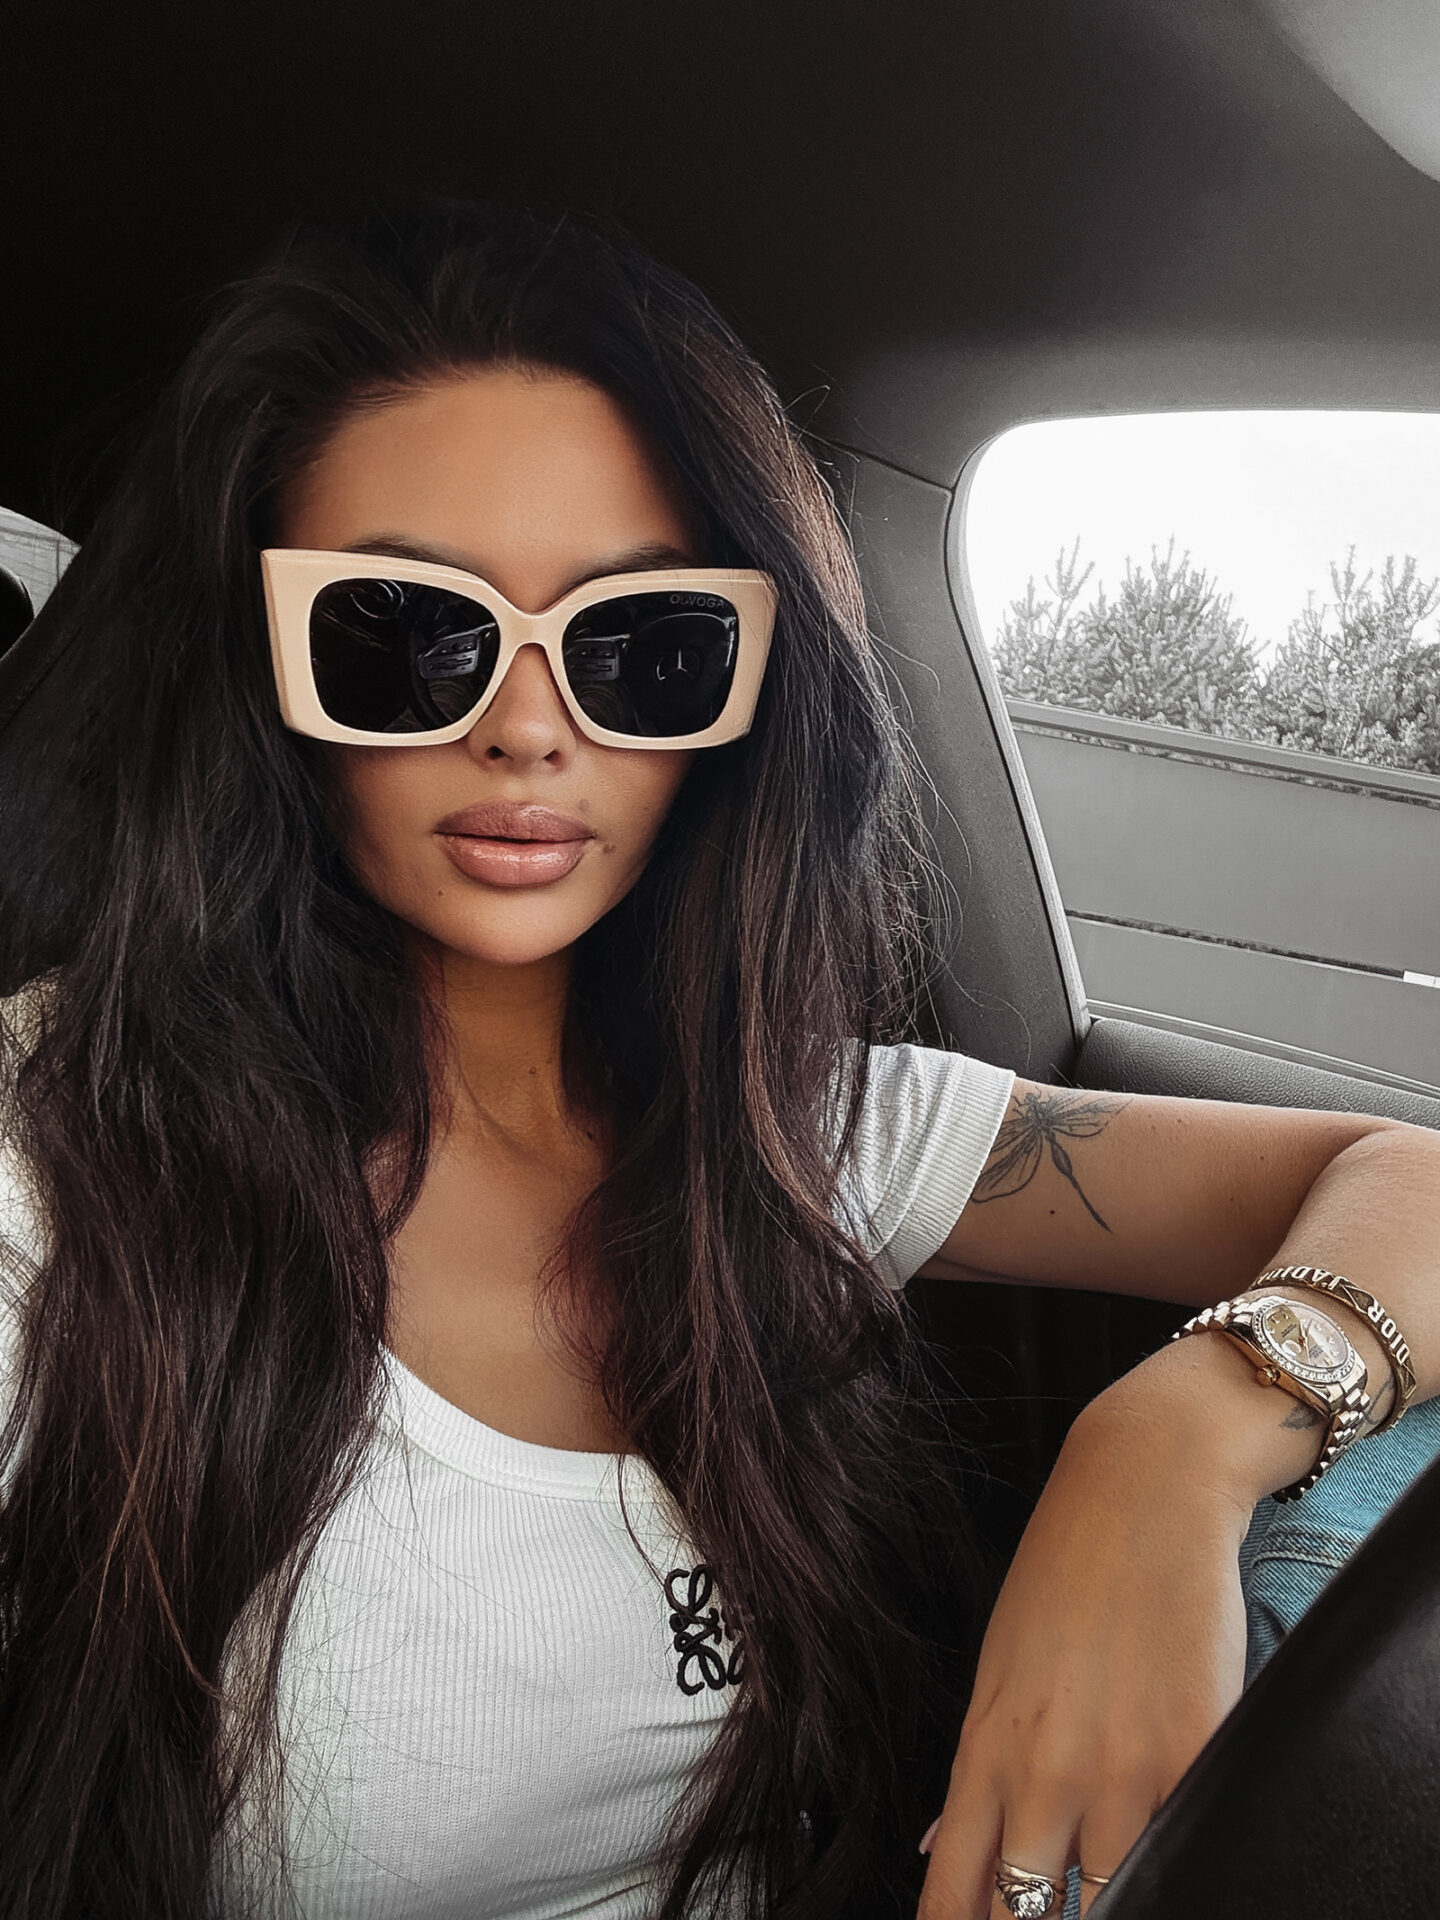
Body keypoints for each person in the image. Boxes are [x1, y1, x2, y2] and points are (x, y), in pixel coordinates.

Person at [0, 197, 1438, 1920]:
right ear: (258, 671)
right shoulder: (47, 1181)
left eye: (644, 647)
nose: (529, 725)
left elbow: (1408, 1176)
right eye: (402, 631)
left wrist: (1176, 1445)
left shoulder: (800, 1125)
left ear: (746, 695)